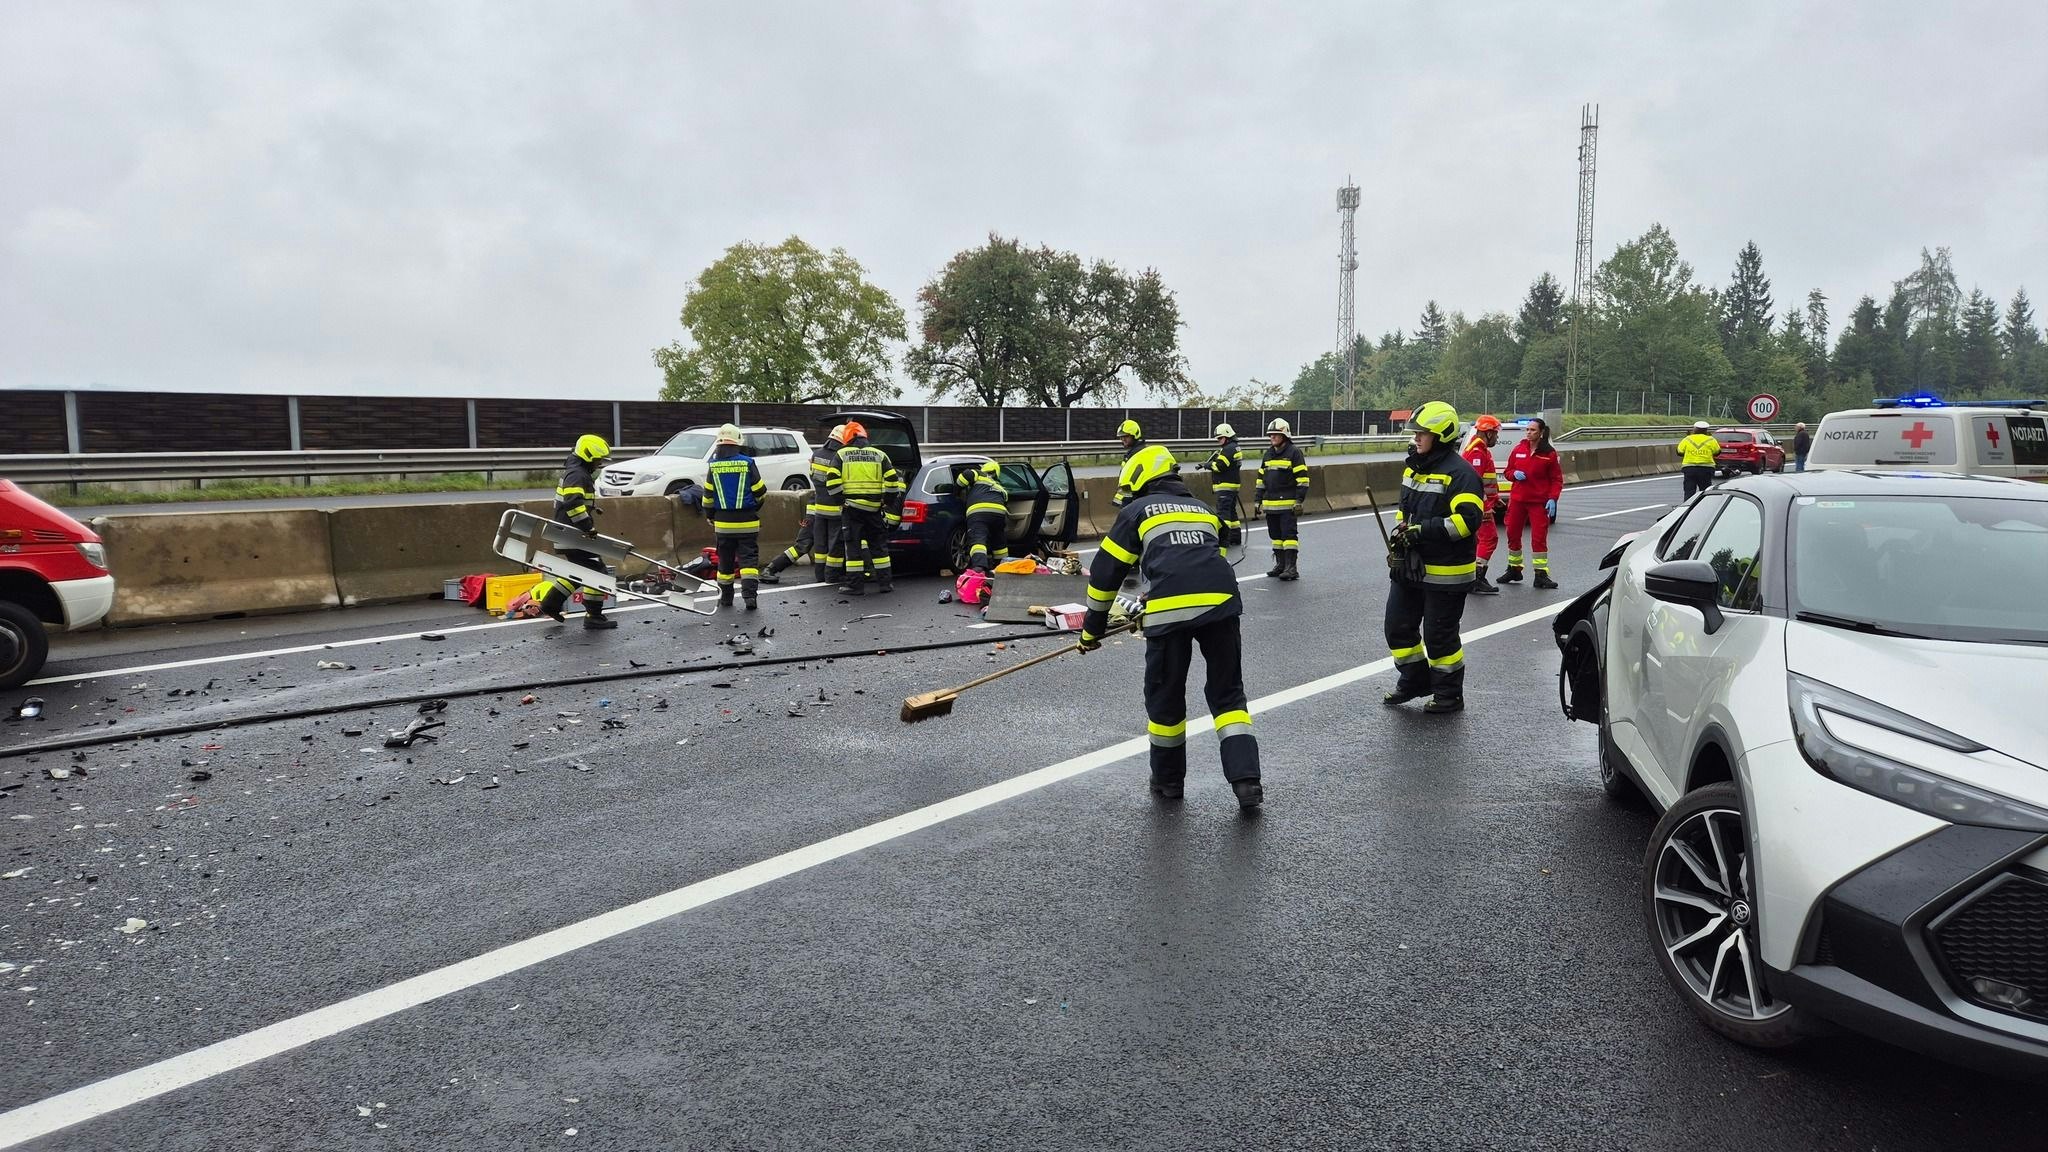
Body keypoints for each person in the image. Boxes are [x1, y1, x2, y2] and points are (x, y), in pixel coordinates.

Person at [1080, 444, 1262, 810]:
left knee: (1165, 697)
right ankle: (1247, 783)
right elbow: (1211, 559)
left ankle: (1168, 783)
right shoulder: (1206, 510)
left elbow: (1105, 573)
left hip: (1169, 616)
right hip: (1221, 606)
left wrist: (1092, 630)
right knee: (1229, 696)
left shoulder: (1137, 511)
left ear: (1141, 480)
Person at [1383, 401, 1485, 713]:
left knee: (1439, 637)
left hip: (1447, 571)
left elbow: (1467, 521)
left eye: (1422, 434)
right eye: (1415, 433)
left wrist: (1422, 531)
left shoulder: (1462, 474)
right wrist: (1402, 532)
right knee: (1397, 627)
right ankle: (1414, 680)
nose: (1416, 439)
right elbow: (1406, 509)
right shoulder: (1413, 466)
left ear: (1441, 435)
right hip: (1412, 565)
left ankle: (1449, 694)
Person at [535, 433, 619, 630]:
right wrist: (587, 527)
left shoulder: (575, 471)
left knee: (579, 572)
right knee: (598, 572)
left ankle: (550, 603)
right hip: (573, 534)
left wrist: (592, 508)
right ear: (589, 456)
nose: (599, 464)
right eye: (598, 460)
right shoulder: (578, 474)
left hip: (565, 532)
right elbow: (573, 504)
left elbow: (574, 500)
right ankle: (593, 616)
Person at [762, 424, 845, 585]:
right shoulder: (840, 458)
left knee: (803, 544)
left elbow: (814, 477)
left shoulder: (817, 454)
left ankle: (771, 569)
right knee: (835, 544)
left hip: (815, 505)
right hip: (832, 509)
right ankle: (828, 575)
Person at [831, 420, 903, 595]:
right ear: (865, 437)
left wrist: (840, 501)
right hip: (874, 509)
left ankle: (855, 586)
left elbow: (832, 481)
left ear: (848, 437)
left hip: (852, 509)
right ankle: (885, 584)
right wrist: (887, 501)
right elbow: (894, 481)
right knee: (879, 547)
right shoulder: (880, 455)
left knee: (853, 549)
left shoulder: (841, 455)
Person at [700, 424, 767, 610]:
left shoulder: (713, 466)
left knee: (725, 561)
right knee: (748, 561)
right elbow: (760, 491)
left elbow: (707, 497)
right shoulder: (747, 463)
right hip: (748, 521)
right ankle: (750, 598)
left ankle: (726, 599)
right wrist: (755, 507)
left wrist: (710, 515)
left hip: (722, 523)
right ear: (738, 442)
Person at [1500, 416, 1564, 589]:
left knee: (1538, 538)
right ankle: (1514, 569)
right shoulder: (1518, 449)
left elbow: (1556, 479)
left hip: (1538, 502)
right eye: (1527, 430)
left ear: (1541, 432)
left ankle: (1541, 575)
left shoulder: (1548, 454)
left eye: (1533, 430)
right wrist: (1514, 475)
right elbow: (1508, 472)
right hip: (1518, 501)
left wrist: (1553, 498)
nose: (1529, 433)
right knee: (1512, 534)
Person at [1253, 418, 1309, 580]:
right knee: (1276, 537)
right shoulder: (1268, 454)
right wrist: (1258, 500)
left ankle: (1292, 568)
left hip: (1288, 505)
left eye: (1276, 435)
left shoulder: (1294, 453)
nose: (1272, 438)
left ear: (1284, 435)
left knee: (1289, 537)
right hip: (1271, 505)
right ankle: (1280, 565)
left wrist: (1299, 501)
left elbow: (1302, 480)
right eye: (1271, 435)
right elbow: (1260, 479)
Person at [1462, 414, 1504, 595]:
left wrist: (1495, 499)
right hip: (1479, 506)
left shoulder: (1480, 449)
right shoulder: (1477, 452)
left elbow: (1486, 482)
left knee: (1480, 540)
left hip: (1482, 504)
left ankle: (1475, 576)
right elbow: (1475, 485)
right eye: (1495, 433)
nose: (1497, 437)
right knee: (1489, 539)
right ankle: (1476, 578)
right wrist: (1485, 507)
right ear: (1487, 433)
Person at [959, 459, 1010, 572]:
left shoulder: (979, 475)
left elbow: (967, 474)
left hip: (979, 513)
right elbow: (1005, 500)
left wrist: (957, 487)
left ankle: (979, 567)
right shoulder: (1001, 488)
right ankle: (1002, 567)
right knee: (999, 542)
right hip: (999, 514)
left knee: (978, 540)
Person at [1206, 423, 1243, 546]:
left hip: (1225, 486)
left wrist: (1207, 465)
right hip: (1232, 485)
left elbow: (1219, 467)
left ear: (1227, 436)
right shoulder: (1235, 447)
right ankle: (1235, 537)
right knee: (1232, 512)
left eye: (1220, 438)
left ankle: (1224, 539)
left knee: (1223, 514)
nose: (1218, 441)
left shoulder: (1228, 449)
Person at [1677, 420, 1721, 499]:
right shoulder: (1711, 440)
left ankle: (1688, 508)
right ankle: (1704, 507)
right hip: (1706, 468)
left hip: (1689, 468)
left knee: (1689, 491)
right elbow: (1717, 452)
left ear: (1694, 429)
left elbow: (1679, 451)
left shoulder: (1687, 439)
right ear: (1706, 430)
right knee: (1705, 491)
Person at [1111, 419, 1147, 506]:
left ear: (1134, 435)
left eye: (1126, 436)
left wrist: (1123, 502)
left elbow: (1131, 481)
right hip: (1134, 498)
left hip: (1136, 498)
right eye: (1121, 437)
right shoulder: (1132, 453)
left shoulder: (1138, 454)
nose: (1122, 439)